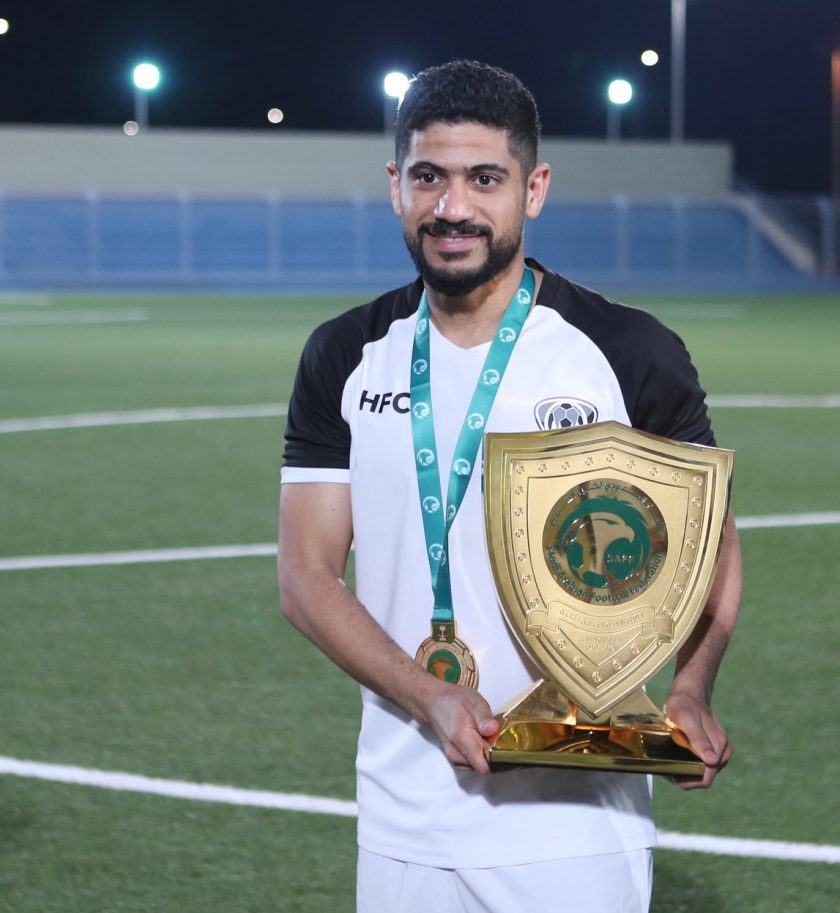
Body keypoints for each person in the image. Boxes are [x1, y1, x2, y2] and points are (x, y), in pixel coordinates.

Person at [277, 59, 742, 913]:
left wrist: (690, 687)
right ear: (395, 183)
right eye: (429, 177)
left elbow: (710, 541)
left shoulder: (626, 351)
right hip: (403, 814)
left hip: (575, 823)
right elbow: (305, 575)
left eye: (484, 179)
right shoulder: (345, 354)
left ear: (534, 189)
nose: (452, 207)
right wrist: (428, 694)